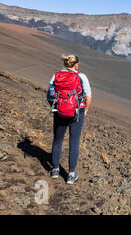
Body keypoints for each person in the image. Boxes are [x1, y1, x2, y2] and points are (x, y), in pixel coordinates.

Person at [47, 54, 92, 184]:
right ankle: (71, 175)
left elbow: (49, 94)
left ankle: (55, 170)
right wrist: (85, 110)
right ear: (76, 64)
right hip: (77, 113)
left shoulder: (56, 76)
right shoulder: (81, 77)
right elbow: (88, 97)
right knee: (74, 142)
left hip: (60, 112)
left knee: (57, 140)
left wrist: (57, 107)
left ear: (66, 64)